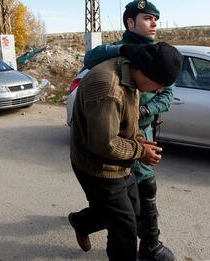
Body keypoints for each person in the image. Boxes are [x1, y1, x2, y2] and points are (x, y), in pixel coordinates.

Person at [68, 42, 182, 260]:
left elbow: (128, 122)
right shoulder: (108, 86)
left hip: (119, 164)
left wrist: (140, 142)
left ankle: (80, 222)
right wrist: (140, 151)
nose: (159, 91)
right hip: (97, 167)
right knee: (125, 232)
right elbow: (104, 144)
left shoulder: (131, 75)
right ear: (147, 72)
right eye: (160, 85)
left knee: (128, 209)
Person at [83, 1, 175, 260]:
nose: (154, 23)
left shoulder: (160, 54)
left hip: (143, 131)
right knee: (117, 199)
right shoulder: (116, 52)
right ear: (130, 22)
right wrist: (124, 48)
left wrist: (144, 111)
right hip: (114, 133)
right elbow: (89, 59)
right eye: (147, 18)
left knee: (144, 189)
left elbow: (167, 95)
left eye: (156, 19)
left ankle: (149, 244)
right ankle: (147, 244)